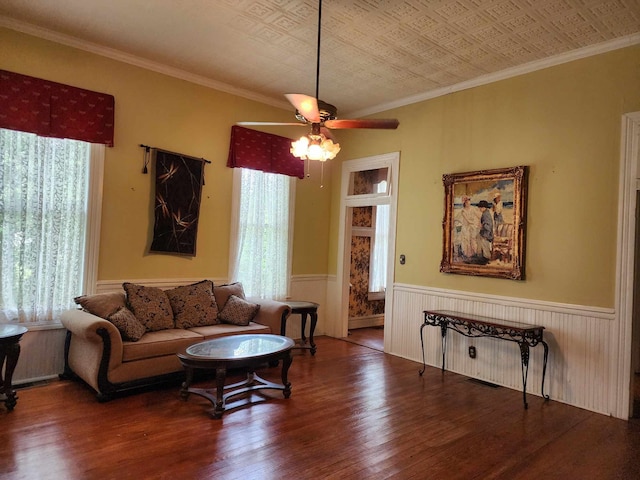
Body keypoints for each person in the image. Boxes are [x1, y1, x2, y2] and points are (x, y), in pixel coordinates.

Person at [476, 200, 494, 264]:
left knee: (484, 243)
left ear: (484, 207)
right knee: (478, 238)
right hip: (485, 232)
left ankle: (486, 258)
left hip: (487, 234)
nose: (479, 209)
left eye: (480, 208)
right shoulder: (485, 213)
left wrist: (482, 226)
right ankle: (482, 256)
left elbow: (488, 226)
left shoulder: (486, 214)